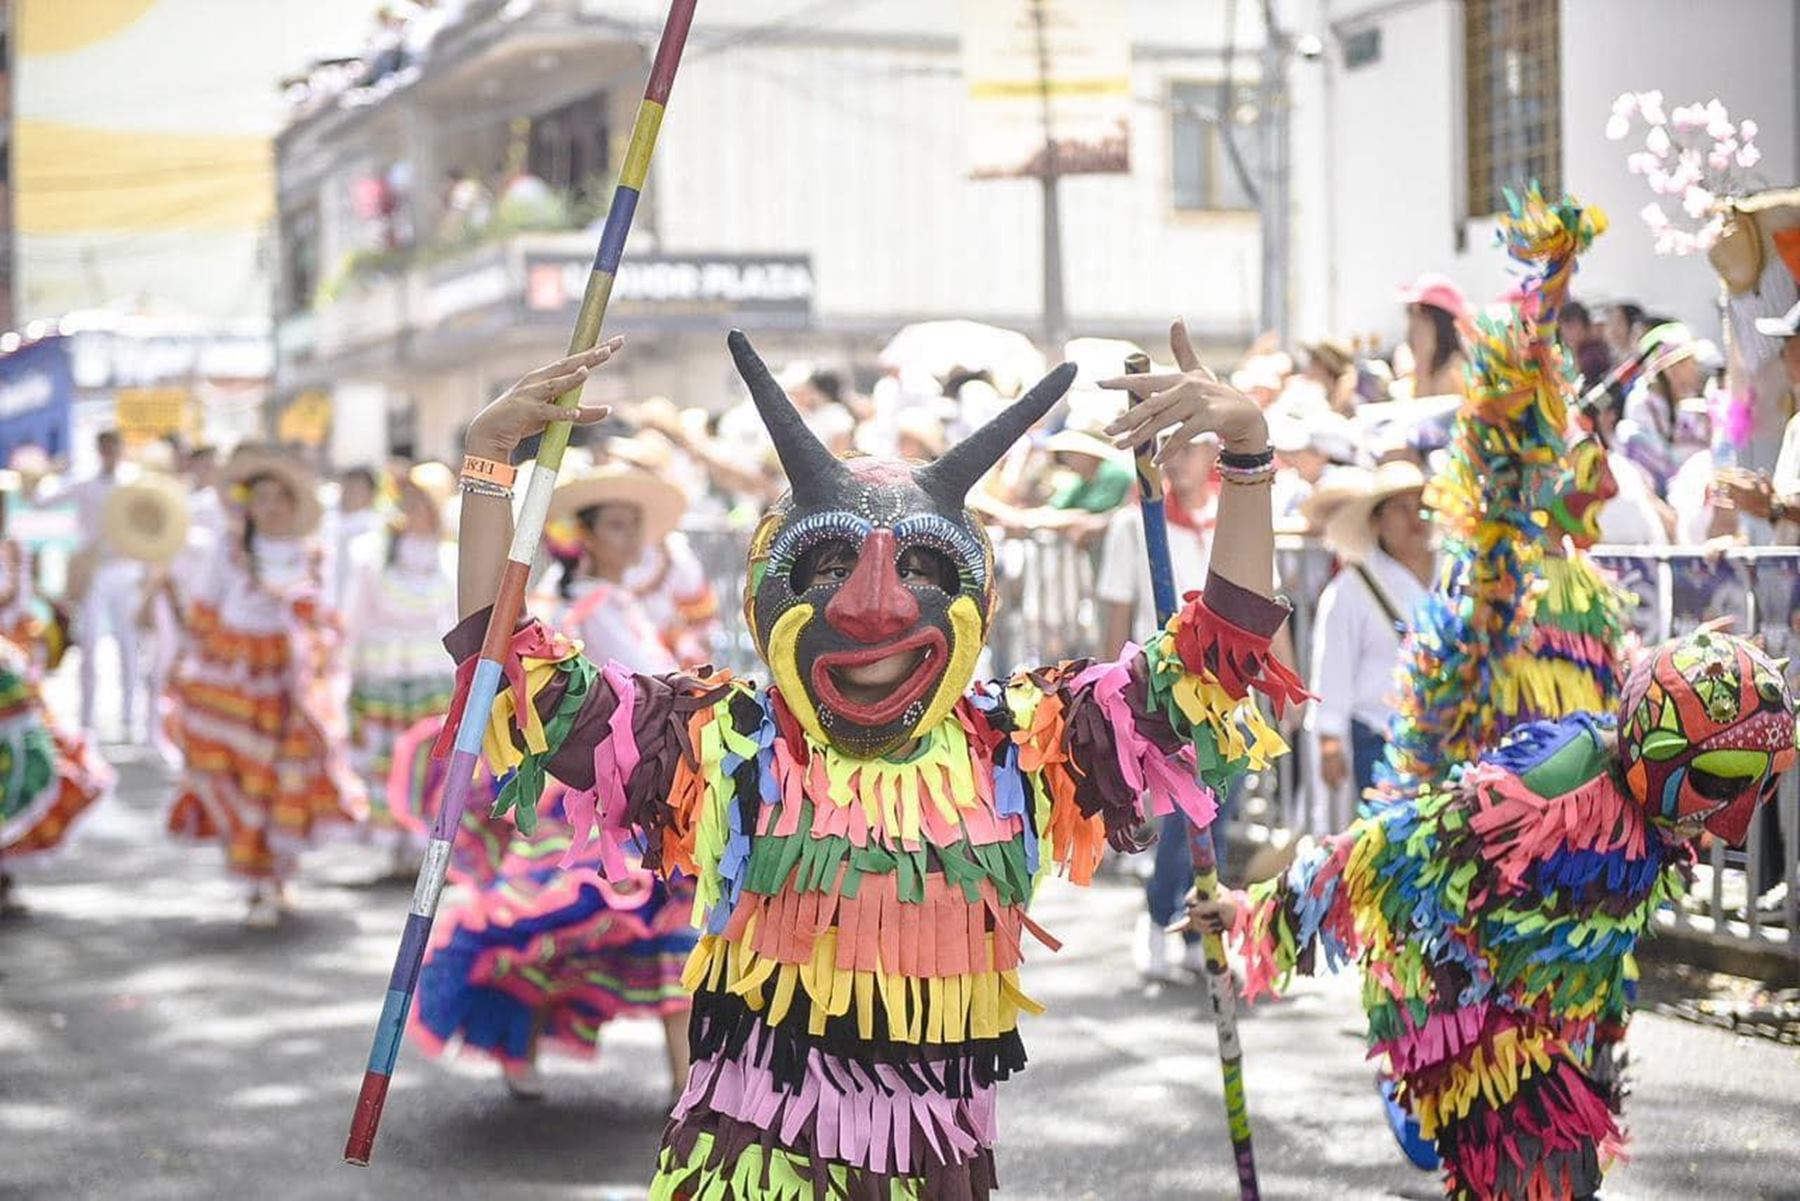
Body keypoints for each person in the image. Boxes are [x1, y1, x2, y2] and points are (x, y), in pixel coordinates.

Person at [441, 324, 1305, 1196]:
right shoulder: (722, 746)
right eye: (825, 563)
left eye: (927, 567)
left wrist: (1247, 456)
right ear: (764, 591)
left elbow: (1214, 657)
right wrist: (486, 467)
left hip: (937, 1170)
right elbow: (509, 669)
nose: (875, 608)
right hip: (751, 1171)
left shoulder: (1023, 747)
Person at [1184, 628, 1800, 1201]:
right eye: (1723, 782)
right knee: (1542, 1170)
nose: (1737, 820)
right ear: (1657, 750)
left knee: (1566, 1165)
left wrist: (1600, 1041)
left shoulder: (1662, 813)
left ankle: (1426, 1117)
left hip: (1550, 1006)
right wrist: (1248, 911)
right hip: (1455, 997)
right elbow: (1388, 846)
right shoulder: (1545, 789)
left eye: (1762, 785)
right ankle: (1418, 1094)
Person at [410, 463, 699, 1100]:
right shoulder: (585, 607)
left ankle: (685, 1085)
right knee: (558, 933)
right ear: (587, 537)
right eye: (616, 525)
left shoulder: (629, 603)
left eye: (634, 526)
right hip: (599, 798)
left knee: (675, 935)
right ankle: (523, 1043)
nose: (629, 539)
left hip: (659, 795)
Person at [165, 447, 365, 927]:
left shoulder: (315, 554)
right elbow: (204, 610)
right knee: (243, 777)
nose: (271, 507)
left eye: (280, 497)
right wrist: (190, 667)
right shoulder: (228, 549)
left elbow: (332, 620)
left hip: (293, 683)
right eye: (261, 497)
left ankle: (279, 874)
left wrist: (319, 657)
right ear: (247, 504)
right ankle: (255, 882)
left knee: (285, 778)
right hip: (235, 682)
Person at [0, 466, 115, 915]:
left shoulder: (17, 551)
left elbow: (24, 612)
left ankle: (4, 871)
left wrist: (27, 657)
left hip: (11, 682)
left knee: (22, 766)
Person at [343, 463, 459, 870]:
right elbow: (354, 616)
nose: (413, 509)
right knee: (388, 758)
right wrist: (346, 668)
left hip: (434, 675)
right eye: (407, 499)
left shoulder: (451, 558)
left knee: (430, 762)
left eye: (422, 501)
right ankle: (394, 841)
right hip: (384, 674)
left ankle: (425, 843)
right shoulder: (372, 554)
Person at [1307, 461, 1434, 822]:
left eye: (1422, 506)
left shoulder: (1454, 573)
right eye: (1401, 509)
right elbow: (1332, 668)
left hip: (1443, 733)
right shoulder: (1350, 589)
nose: (1416, 519)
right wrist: (1329, 742)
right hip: (1378, 736)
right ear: (1377, 521)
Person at [44, 429, 142, 740]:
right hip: (94, 570)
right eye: (105, 447)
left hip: (127, 569)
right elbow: (44, 499)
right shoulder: (84, 481)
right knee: (88, 643)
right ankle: (86, 722)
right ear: (99, 449)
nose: (110, 452)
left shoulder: (135, 482)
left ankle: (130, 718)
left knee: (129, 644)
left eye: (115, 446)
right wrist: (44, 472)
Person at [1398, 273, 1470, 398]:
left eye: (1422, 317)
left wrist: (1423, 362)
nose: (1413, 326)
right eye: (1411, 314)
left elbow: (1423, 411)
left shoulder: (1455, 371)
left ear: (1441, 323)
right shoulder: (1427, 367)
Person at [330, 465, 383, 612]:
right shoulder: (327, 522)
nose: (351, 492)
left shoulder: (378, 528)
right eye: (348, 486)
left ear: (371, 494)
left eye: (358, 488)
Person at [1559, 299, 1613, 386]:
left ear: (1585, 325)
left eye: (1571, 327)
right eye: (1563, 328)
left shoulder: (1591, 356)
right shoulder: (1581, 351)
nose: (1566, 334)